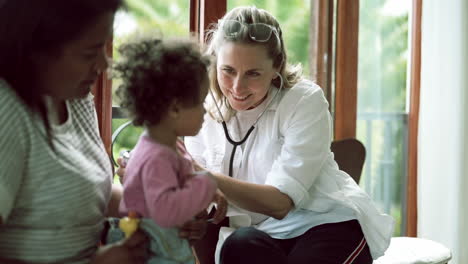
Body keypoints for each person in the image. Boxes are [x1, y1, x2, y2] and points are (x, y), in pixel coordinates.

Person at [184, 6, 395, 264]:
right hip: (262, 232)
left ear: (276, 67)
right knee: (236, 246)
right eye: (228, 70)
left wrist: (207, 178)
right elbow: (197, 190)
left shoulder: (305, 100)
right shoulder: (201, 108)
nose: (238, 87)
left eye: (253, 73)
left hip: (325, 223)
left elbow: (280, 203)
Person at [0, 1, 207, 263]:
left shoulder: (74, 97)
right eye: (90, 53)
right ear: (36, 48)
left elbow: (86, 193)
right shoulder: (6, 112)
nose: (103, 66)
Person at [112, 36, 225, 263]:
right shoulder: (156, 158)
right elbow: (165, 211)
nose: (205, 112)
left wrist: (206, 194)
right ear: (174, 108)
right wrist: (207, 183)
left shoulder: (168, 145)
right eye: (201, 103)